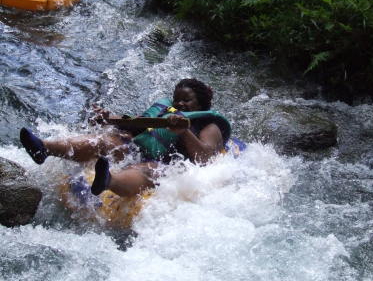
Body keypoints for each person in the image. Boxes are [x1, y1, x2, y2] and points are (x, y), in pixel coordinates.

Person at [20, 78, 231, 197]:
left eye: (187, 100)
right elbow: (138, 123)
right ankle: (44, 148)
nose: (180, 105)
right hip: (141, 150)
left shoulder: (209, 125)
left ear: (201, 103)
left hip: (170, 166)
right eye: (177, 100)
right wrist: (108, 118)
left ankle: (108, 181)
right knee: (105, 141)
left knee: (148, 170)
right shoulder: (167, 110)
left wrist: (183, 131)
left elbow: (205, 159)